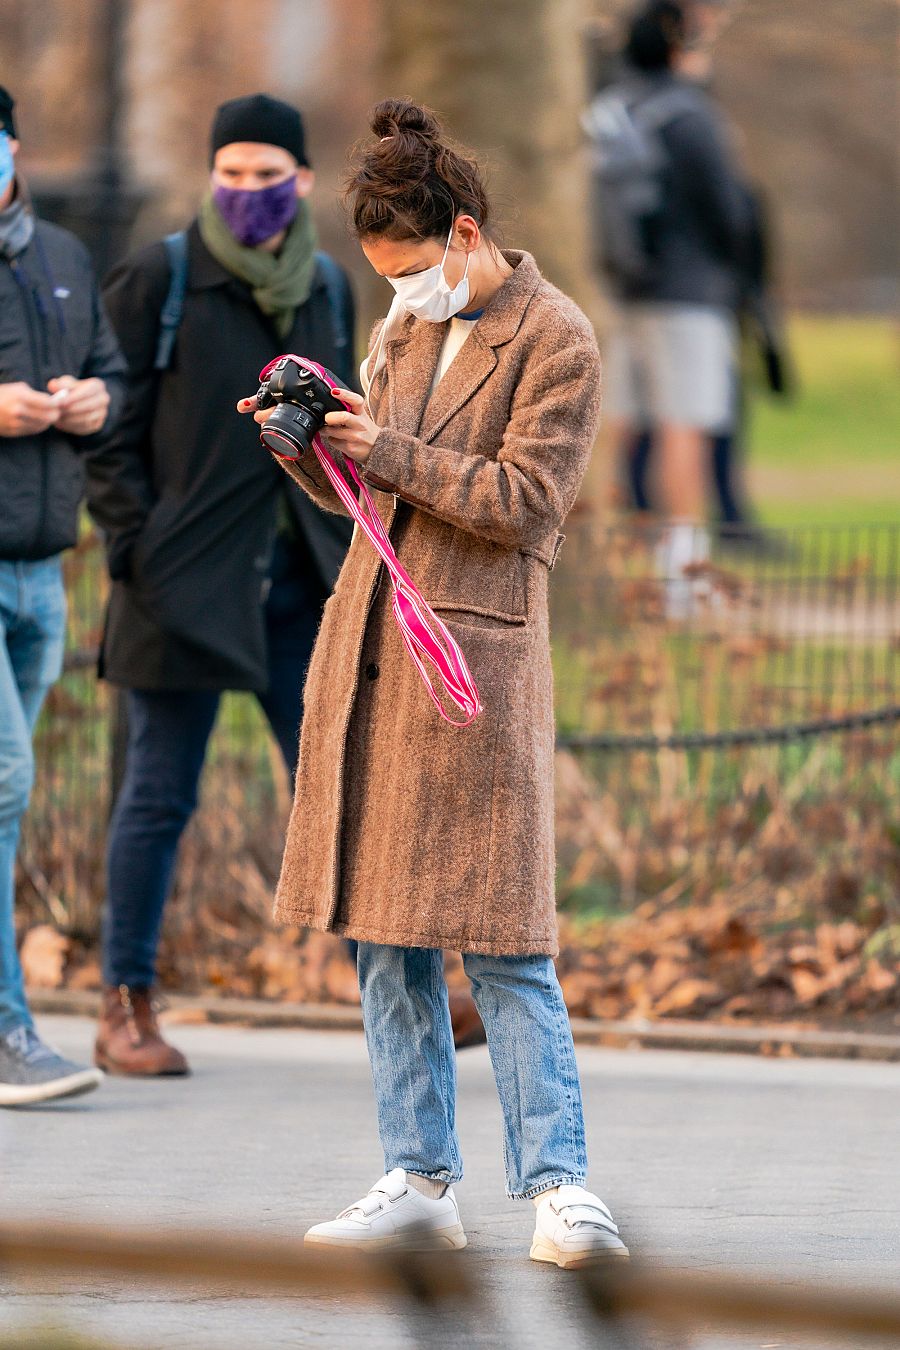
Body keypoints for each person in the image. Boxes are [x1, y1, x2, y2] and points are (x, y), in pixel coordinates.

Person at [240, 98, 629, 1268]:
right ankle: (418, 1177)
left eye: (413, 273)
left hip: (473, 666)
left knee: (505, 939)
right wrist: (313, 453)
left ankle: (563, 1189)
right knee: (384, 939)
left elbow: (525, 505)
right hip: (371, 658)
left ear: (465, 236)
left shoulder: (557, 337)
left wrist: (387, 449)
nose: (400, 299)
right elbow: (377, 503)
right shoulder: (408, 335)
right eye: (386, 281)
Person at [84, 94, 354, 1077]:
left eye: (266, 174)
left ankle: (397, 991)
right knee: (158, 794)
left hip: (299, 580)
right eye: (230, 173)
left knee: (330, 790)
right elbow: (109, 431)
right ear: (210, 177)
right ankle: (125, 1003)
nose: (246, 192)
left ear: (303, 180)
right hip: (182, 580)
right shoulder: (160, 275)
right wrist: (137, 550)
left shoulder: (325, 282)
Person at [0, 85, 126, 1105]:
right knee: (3, 784)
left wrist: (96, 400)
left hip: (45, 566)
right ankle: (9, 1032)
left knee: (5, 802)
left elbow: (112, 376)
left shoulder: (67, 261)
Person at [585, 1, 751, 607]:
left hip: (619, 288)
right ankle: (685, 571)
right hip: (688, 294)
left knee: (621, 422)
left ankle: (607, 554)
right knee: (687, 425)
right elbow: (728, 209)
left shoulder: (608, 108)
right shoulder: (691, 114)